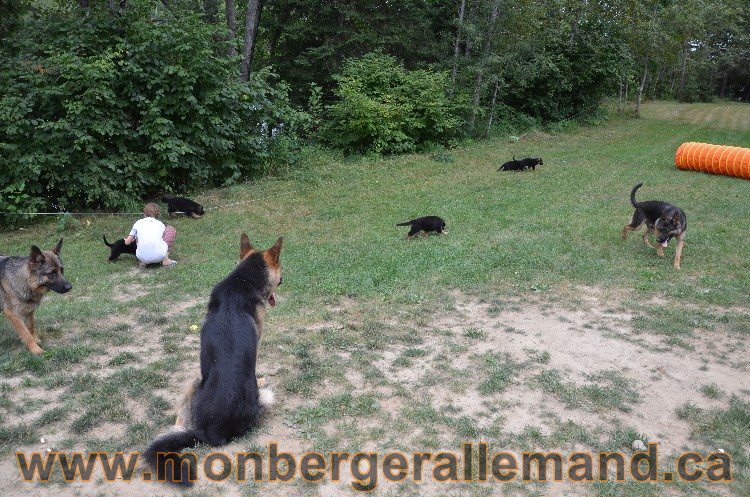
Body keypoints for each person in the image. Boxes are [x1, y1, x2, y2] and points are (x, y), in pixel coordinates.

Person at [124, 203, 177, 267]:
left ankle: (144, 262)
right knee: (170, 230)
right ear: (158, 214)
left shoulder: (138, 223)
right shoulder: (160, 224)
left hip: (140, 256)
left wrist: (127, 239)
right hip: (159, 256)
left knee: (138, 236)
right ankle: (166, 260)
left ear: (144, 213)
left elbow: (127, 242)